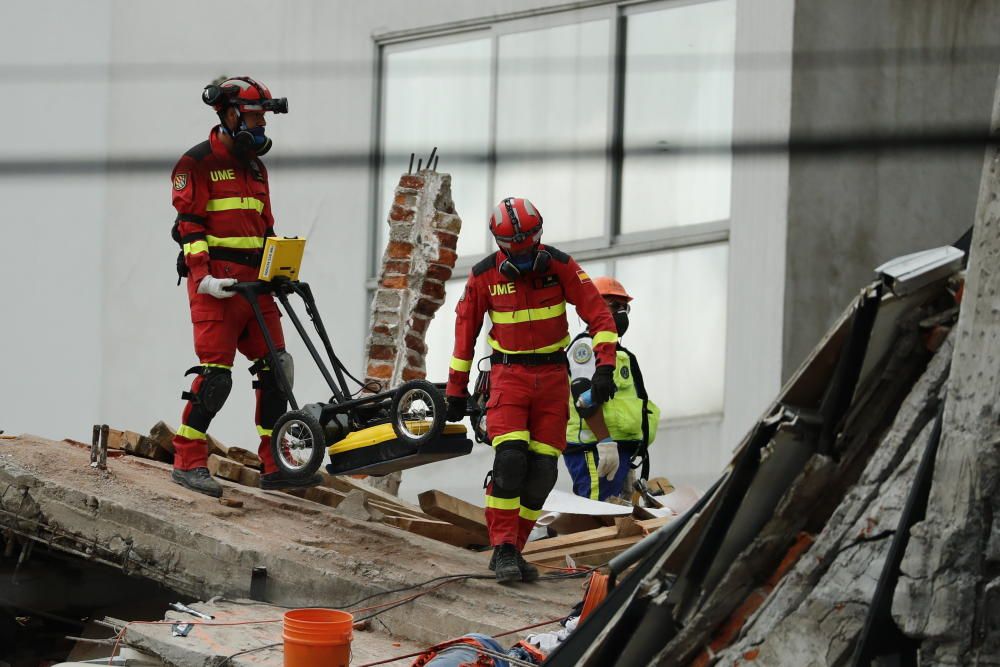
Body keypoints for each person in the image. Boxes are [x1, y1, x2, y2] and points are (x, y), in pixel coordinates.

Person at [445, 197, 619, 583]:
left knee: (542, 471)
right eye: (516, 250)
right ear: (501, 245)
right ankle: (503, 547)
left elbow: (599, 315)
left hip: (553, 379)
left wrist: (605, 365)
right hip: (509, 376)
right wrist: (456, 390)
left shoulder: (560, 266)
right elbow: (464, 336)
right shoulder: (483, 277)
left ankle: (515, 547)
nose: (525, 257)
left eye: (530, 246)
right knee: (510, 460)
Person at [169, 76, 320, 497]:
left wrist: (279, 269)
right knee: (216, 378)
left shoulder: (255, 167)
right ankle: (187, 459)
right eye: (254, 117)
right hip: (217, 288)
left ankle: (275, 465)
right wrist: (203, 278)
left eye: (263, 119)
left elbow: (265, 226)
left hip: (257, 288)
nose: (261, 126)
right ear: (229, 114)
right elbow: (189, 226)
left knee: (278, 370)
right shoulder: (195, 163)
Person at [564, 277, 660, 502]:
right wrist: (605, 442)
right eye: (615, 306)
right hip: (596, 448)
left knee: (617, 514)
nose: (622, 313)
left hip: (619, 450)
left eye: (625, 307)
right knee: (600, 514)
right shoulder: (586, 347)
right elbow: (583, 397)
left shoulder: (620, 354)